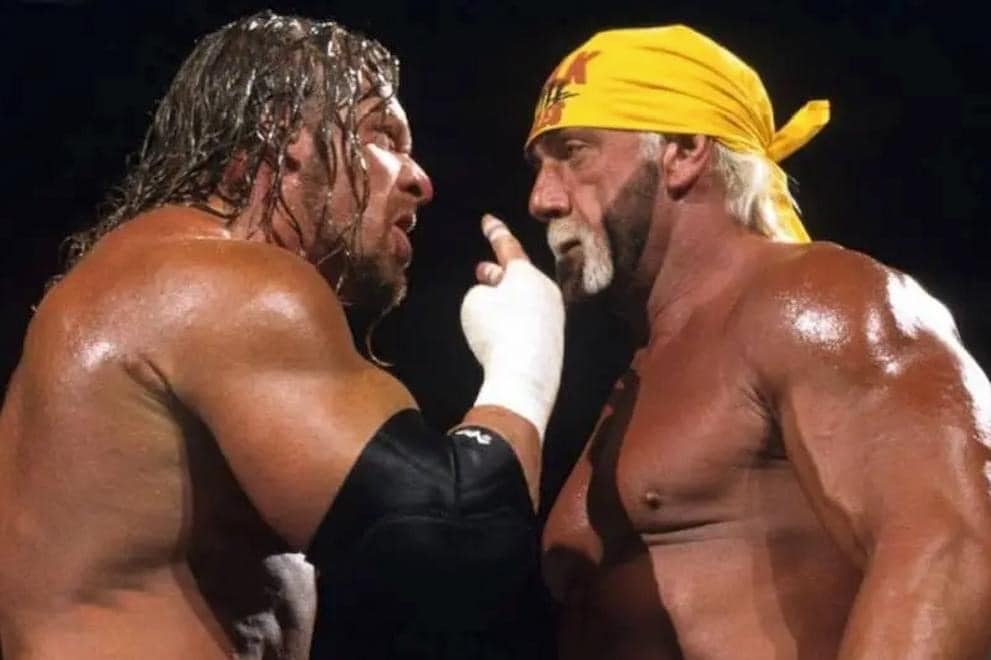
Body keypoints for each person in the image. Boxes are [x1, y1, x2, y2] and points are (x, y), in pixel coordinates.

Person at [0, 11, 564, 660]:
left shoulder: (139, 285)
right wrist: (526, 354)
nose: (420, 179)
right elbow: (452, 544)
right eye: (383, 136)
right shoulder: (219, 280)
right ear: (283, 134)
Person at [525, 25, 991, 659]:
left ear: (683, 151)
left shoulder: (818, 298)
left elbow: (951, 544)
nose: (542, 198)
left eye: (573, 153)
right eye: (539, 165)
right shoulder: (640, 374)